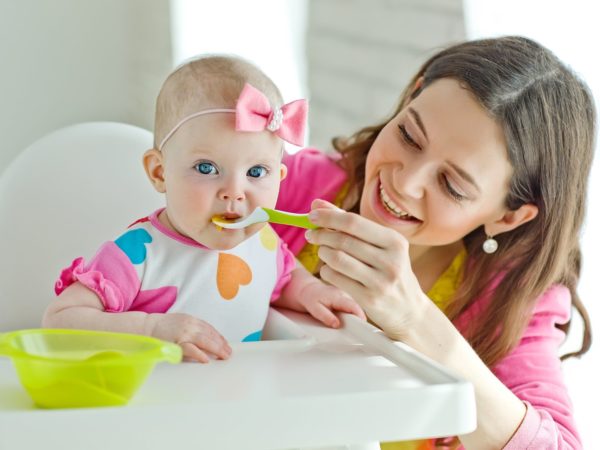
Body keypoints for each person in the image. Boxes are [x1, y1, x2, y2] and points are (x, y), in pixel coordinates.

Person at [273, 36, 594, 449]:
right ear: (412, 94)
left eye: (452, 185)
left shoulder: (511, 302)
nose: (405, 183)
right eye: (409, 136)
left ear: (508, 216)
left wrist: (413, 319)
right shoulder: (289, 185)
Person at [42, 55, 365, 363]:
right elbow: (58, 322)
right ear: (159, 172)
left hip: (231, 403)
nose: (235, 193)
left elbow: (286, 278)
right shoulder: (138, 254)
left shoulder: (263, 242)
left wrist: (311, 291)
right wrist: (151, 330)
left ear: (280, 178)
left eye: (255, 173)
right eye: (207, 168)